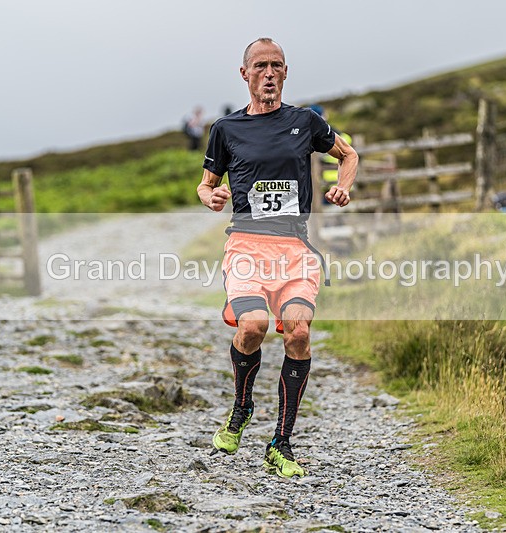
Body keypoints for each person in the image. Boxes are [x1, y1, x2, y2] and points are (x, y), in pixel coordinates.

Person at [197, 37, 358, 477]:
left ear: (285, 73)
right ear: (244, 74)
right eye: (260, 66)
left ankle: (281, 443)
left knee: (299, 332)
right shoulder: (225, 129)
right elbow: (206, 183)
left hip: (294, 249)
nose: (269, 73)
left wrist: (344, 184)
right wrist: (212, 196)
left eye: (277, 65)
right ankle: (242, 406)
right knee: (252, 327)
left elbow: (349, 153)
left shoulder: (306, 121)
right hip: (247, 246)